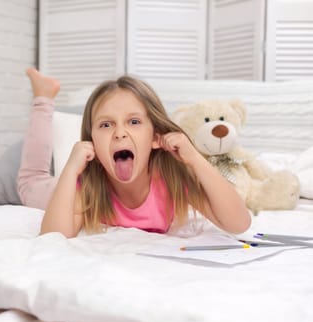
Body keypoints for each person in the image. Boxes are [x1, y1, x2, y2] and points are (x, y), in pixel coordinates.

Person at [18, 68, 251, 238]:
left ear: (155, 137)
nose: (120, 133)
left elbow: (239, 223)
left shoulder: (173, 179)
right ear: (93, 142)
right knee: (31, 180)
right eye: (106, 125)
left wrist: (195, 158)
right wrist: (69, 171)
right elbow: (53, 237)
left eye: (134, 121)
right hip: (57, 189)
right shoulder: (86, 183)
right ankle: (43, 98)